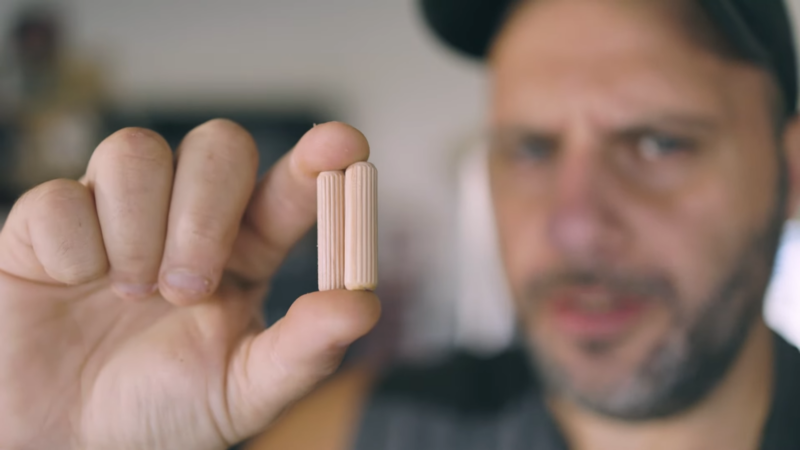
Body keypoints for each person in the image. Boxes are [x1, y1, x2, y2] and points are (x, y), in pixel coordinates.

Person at [0, 0, 798, 449]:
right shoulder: (382, 431)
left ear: (792, 173)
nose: (574, 226)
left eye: (658, 143)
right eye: (529, 147)